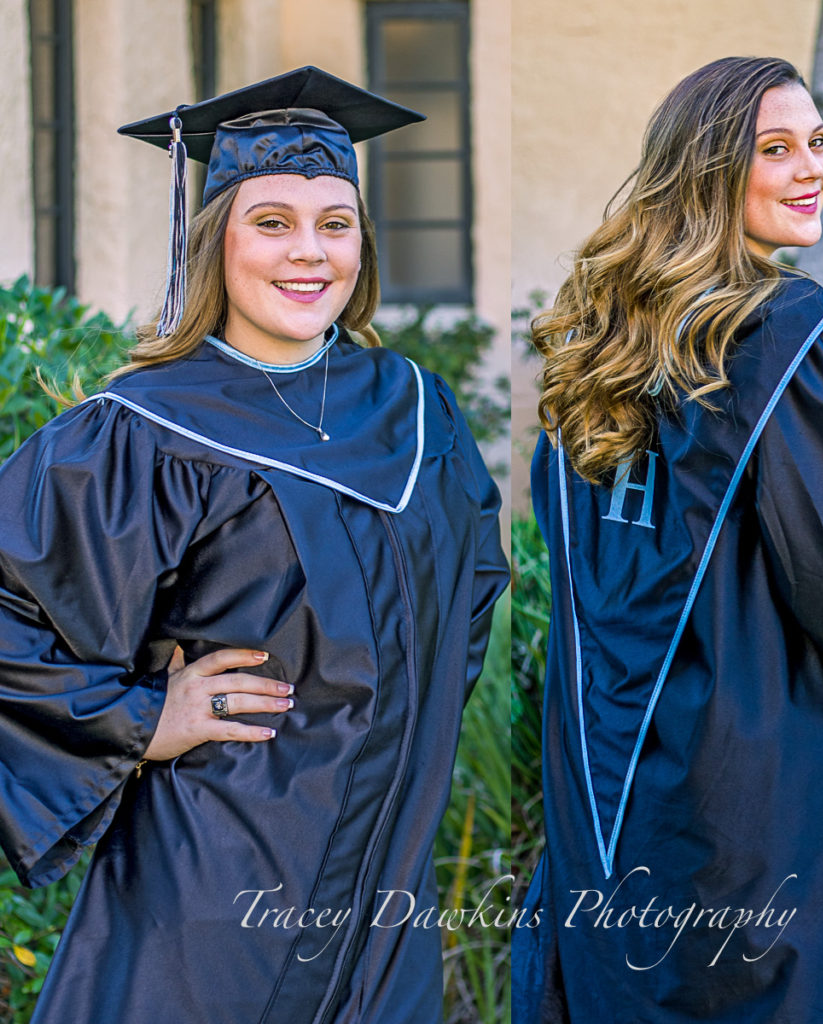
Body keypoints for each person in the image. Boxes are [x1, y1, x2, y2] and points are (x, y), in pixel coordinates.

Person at [0, 66, 508, 1023]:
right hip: (214, 895)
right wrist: (144, 718)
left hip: (385, 899)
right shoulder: (145, 430)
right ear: (215, 240)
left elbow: (466, 602)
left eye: (335, 222)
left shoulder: (415, 409)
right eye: (270, 222)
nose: (307, 253)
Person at [513, 56, 823, 1023]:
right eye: (776, 149)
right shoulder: (790, 341)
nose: (813, 169)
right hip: (780, 775)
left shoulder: (598, 349)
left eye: (819, 143)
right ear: (709, 171)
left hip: (616, 776)